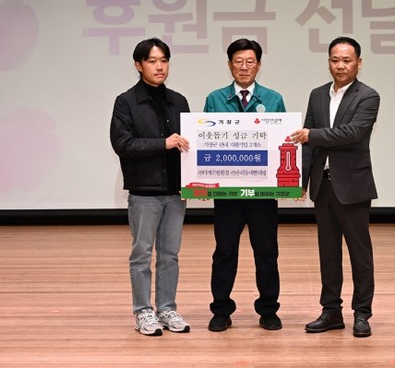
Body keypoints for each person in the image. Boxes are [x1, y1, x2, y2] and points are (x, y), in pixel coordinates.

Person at [290, 36, 380, 338]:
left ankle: (362, 313)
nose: (340, 65)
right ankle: (331, 311)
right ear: (328, 62)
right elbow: (306, 145)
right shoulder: (317, 95)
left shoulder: (368, 96)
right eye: (334, 59)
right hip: (323, 185)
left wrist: (311, 135)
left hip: (353, 185)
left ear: (358, 63)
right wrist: (301, 180)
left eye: (346, 60)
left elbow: (352, 133)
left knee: (359, 252)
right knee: (328, 253)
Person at [110, 37, 192, 336]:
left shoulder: (179, 101)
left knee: (170, 255)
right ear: (138, 65)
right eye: (152, 61)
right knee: (142, 254)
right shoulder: (126, 101)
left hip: (175, 191)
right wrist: (163, 143)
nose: (160, 67)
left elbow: (190, 144)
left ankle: (167, 308)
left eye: (164, 61)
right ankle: (143, 311)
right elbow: (122, 144)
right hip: (144, 192)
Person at [203, 38, 286, 332]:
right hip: (227, 193)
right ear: (229, 65)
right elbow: (204, 143)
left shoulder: (273, 99)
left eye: (250, 61)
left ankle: (268, 310)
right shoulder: (214, 99)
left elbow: (283, 143)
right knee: (225, 251)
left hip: (263, 192)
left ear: (259, 65)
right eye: (238, 61)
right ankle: (221, 310)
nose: (244, 67)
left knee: (267, 252)